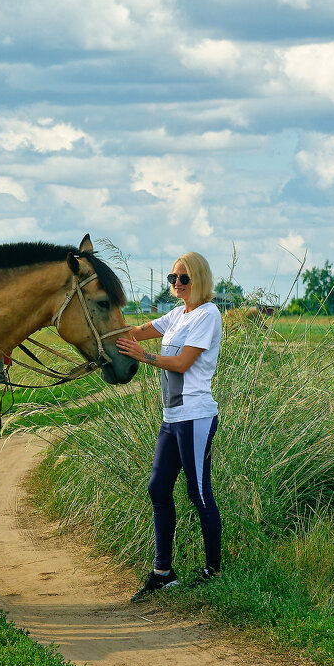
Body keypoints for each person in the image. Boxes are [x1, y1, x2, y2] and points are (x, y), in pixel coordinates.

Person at [116, 252, 223, 603]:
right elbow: (138, 331)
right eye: (172, 279)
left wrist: (141, 356)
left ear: (199, 280)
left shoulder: (208, 316)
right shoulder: (179, 314)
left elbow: (181, 363)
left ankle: (213, 571)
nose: (176, 284)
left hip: (196, 415)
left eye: (183, 279)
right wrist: (104, 334)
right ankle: (163, 572)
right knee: (158, 489)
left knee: (199, 493)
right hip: (172, 417)